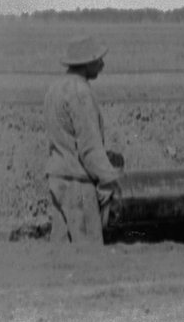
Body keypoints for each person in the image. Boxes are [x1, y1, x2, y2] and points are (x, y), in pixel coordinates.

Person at [44, 35, 124, 244]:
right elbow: (89, 148)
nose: (102, 64)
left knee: (61, 253)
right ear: (86, 62)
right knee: (88, 253)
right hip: (78, 185)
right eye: (98, 59)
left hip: (58, 178)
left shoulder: (55, 88)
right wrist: (110, 180)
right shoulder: (80, 92)